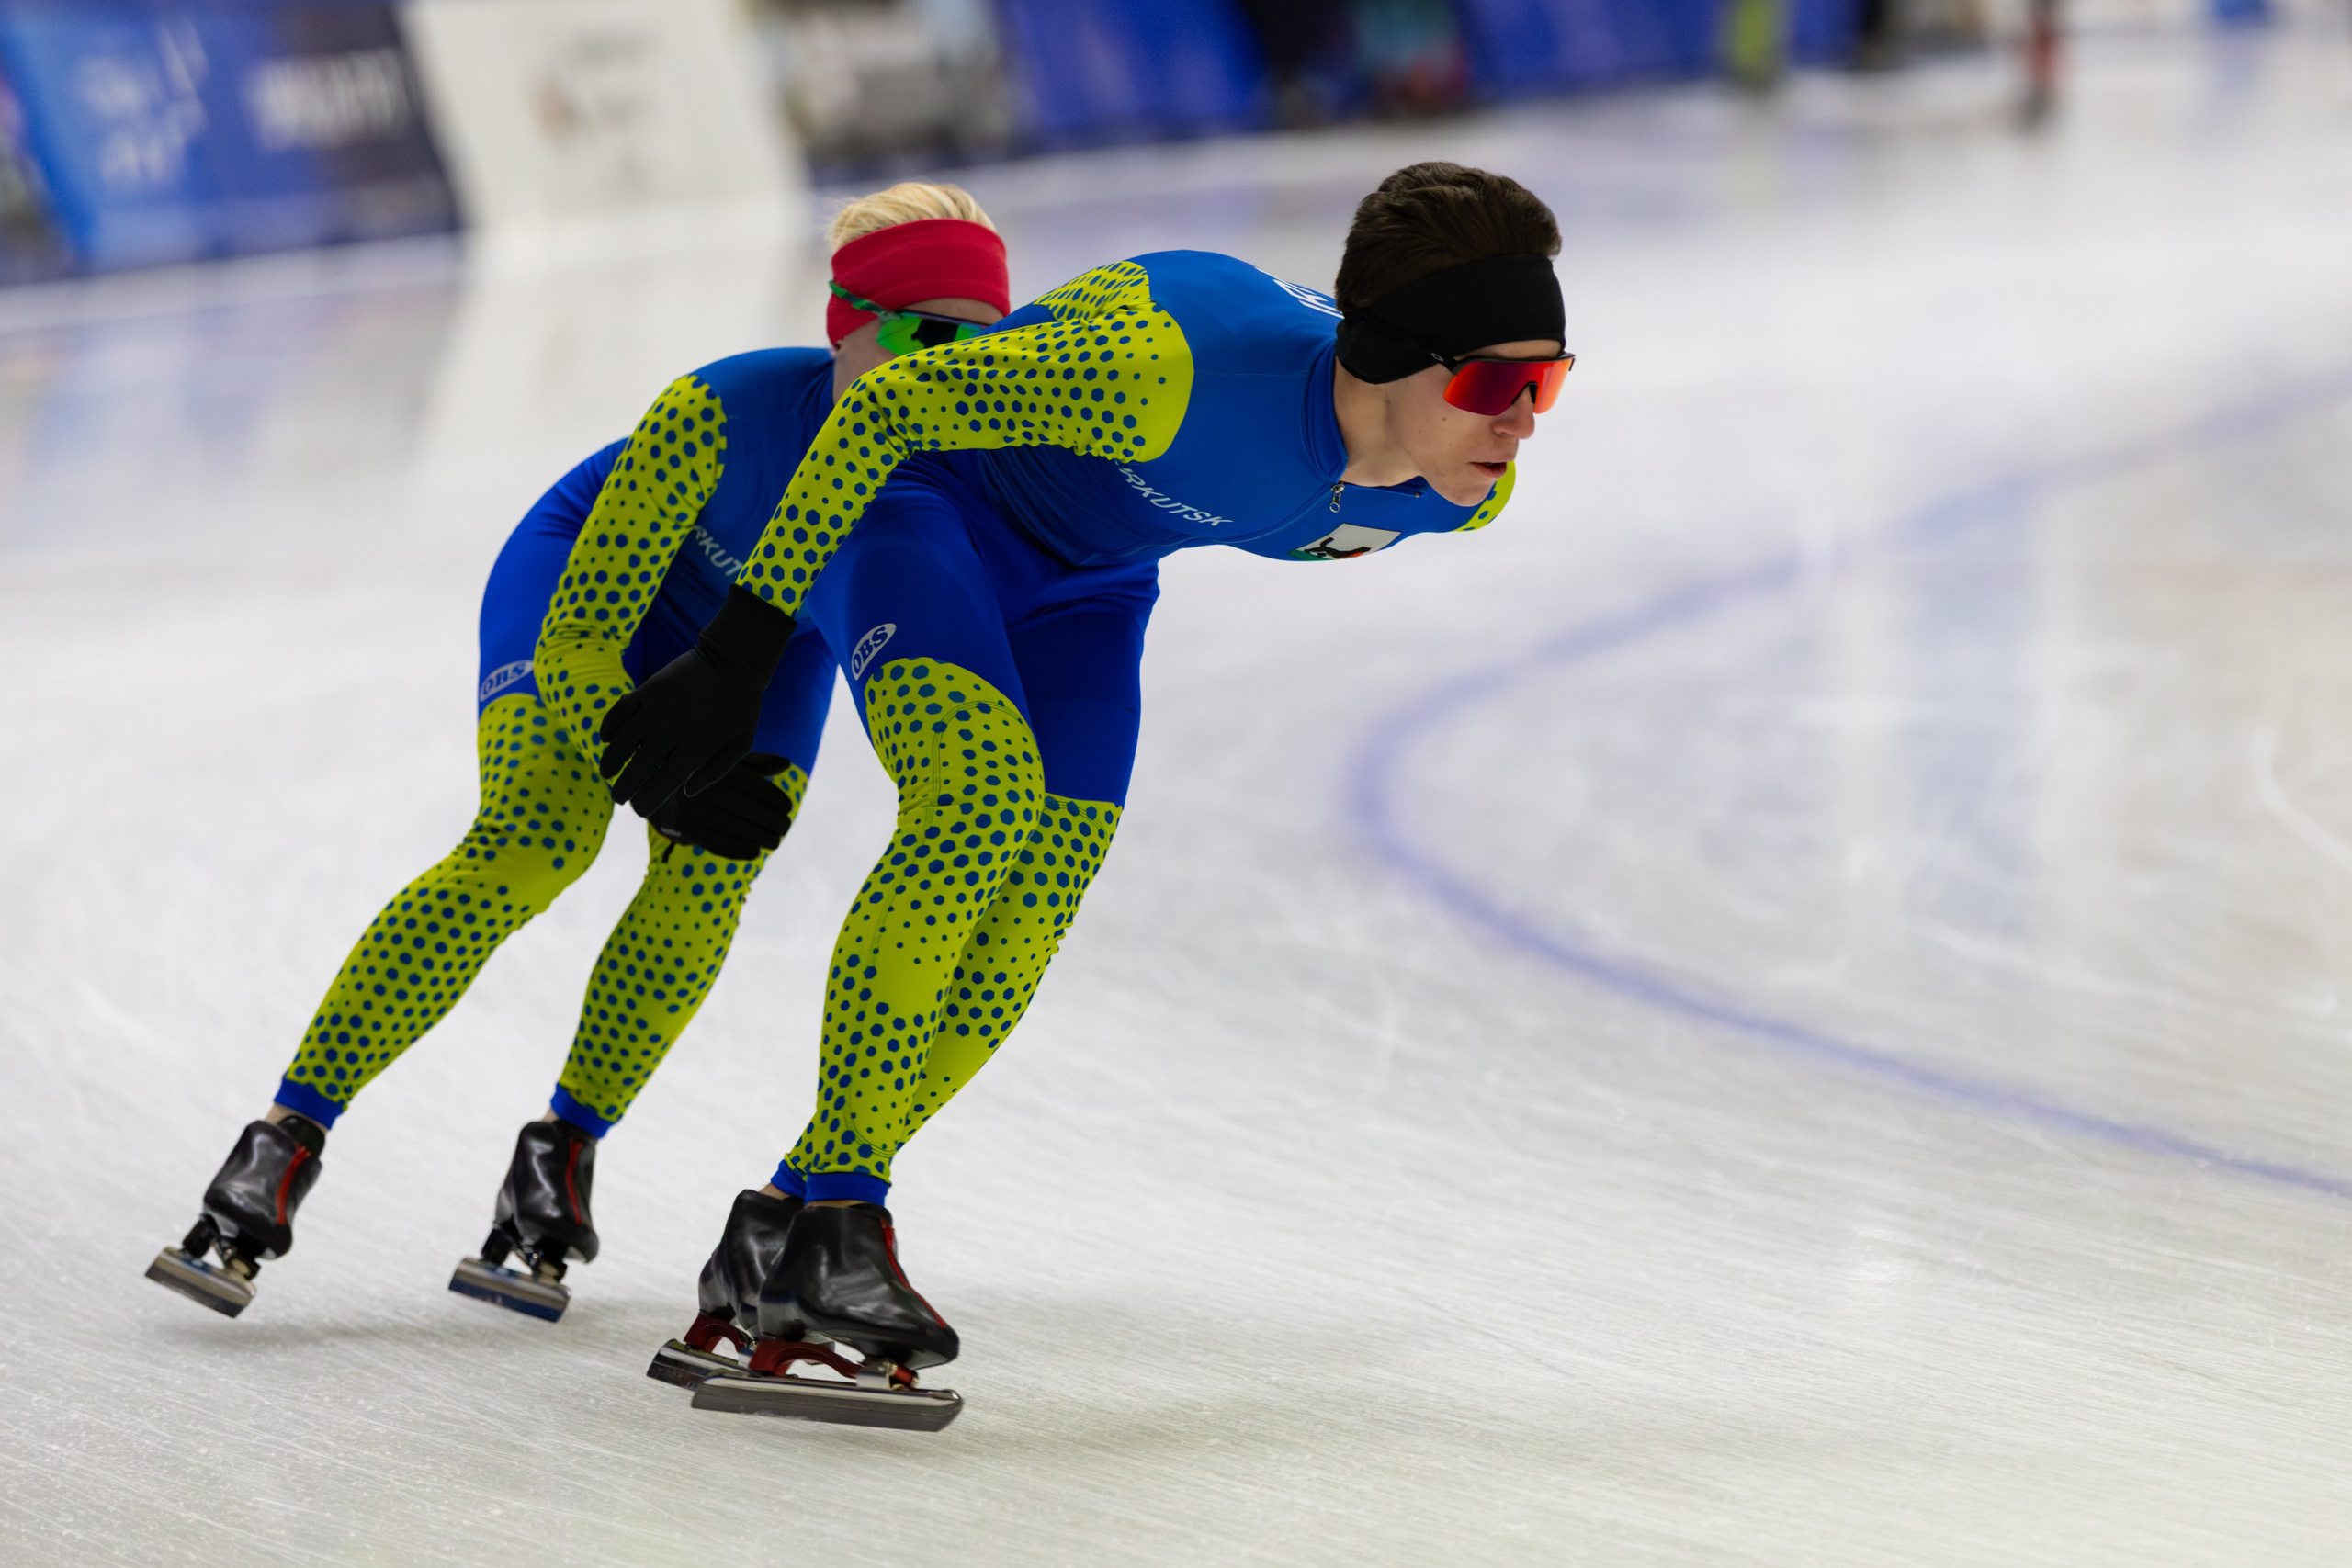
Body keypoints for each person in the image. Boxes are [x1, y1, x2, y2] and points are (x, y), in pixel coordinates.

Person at [604, 162, 1574, 1426]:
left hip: (1093, 585)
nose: (1525, 423)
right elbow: (887, 404)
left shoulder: (1459, 495)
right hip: (925, 500)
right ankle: (846, 1218)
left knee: (1036, 900)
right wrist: (739, 651)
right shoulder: (1166, 367)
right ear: (1388, 352)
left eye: (1550, 382)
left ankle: (784, 1222)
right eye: (1498, 384)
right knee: (976, 805)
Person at [145, 184, 1014, 1323]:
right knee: (534, 842)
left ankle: (561, 1154)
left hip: (767, 646)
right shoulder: (720, 409)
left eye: (986, 345)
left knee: (712, 871)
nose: (953, 367)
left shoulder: (971, 469)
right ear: (845, 327)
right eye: (924, 336)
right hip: (587, 596)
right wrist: (661, 763)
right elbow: (583, 638)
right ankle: (285, 1137)